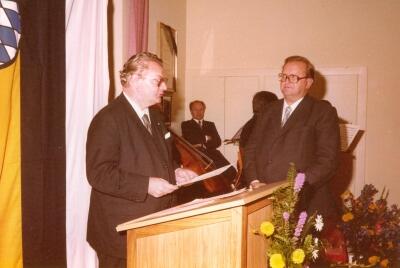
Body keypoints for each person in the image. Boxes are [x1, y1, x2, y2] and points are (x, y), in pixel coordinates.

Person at [86, 52, 197, 268]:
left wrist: (175, 171)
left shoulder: (155, 116)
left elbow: (157, 157)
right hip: (121, 233)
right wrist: (146, 184)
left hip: (155, 225)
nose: (164, 87)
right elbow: (98, 174)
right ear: (135, 80)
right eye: (158, 81)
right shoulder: (108, 119)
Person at [243, 55, 340, 219]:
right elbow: (251, 149)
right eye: (283, 76)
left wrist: (295, 185)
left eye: (293, 77)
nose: (286, 81)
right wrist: (254, 181)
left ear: (308, 83)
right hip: (262, 199)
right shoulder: (267, 110)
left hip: (303, 202)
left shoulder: (322, 112)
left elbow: (328, 161)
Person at [180, 100, 237, 196]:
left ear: (204, 110)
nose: (199, 112)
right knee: (212, 176)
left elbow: (217, 141)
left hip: (214, 155)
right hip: (198, 157)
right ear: (191, 111)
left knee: (231, 171)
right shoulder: (186, 124)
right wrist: (207, 138)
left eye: (201, 109)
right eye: (195, 110)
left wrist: (202, 143)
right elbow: (191, 139)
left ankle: (227, 191)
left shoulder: (210, 124)